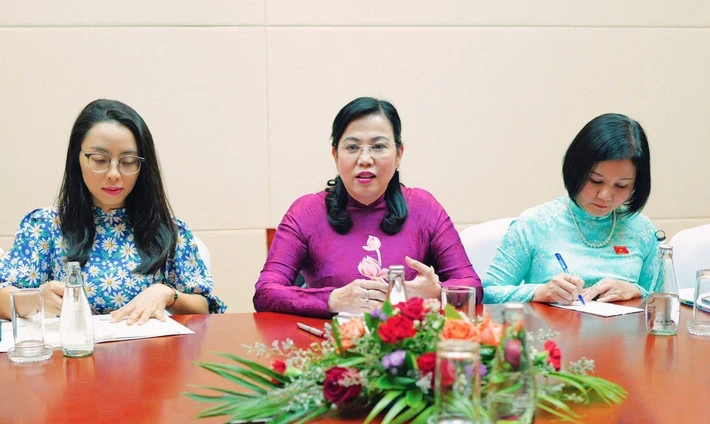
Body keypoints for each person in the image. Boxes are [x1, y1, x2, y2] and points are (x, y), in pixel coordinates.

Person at [0, 99, 225, 324]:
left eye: (128, 162)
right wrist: (36, 300)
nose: (114, 174)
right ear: (76, 158)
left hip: (148, 355)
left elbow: (204, 306)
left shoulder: (168, 229)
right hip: (72, 354)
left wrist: (168, 295)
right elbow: (3, 296)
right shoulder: (44, 225)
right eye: (100, 160)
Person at [253, 97, 481, 317]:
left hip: (407, 347)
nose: (365, 159)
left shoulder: (424, 208)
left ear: (399, 153)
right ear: (335, 154)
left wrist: (436, 293)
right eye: (352, 147)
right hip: (331, 348)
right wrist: (333, 300)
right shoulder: (307, 212)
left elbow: (472, 286)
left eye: (378, 146)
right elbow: (265, 292)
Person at [483, 113, 661, 304]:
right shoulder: (535, 224)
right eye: (595, 181)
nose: (605, 196)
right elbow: (487, 293)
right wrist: (539, 292)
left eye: (621, 185)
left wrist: (636, 290)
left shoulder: (642, 231)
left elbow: (662, 300)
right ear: (576, 170)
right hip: (552, 333)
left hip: (625, 333)